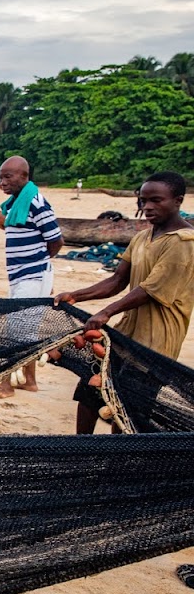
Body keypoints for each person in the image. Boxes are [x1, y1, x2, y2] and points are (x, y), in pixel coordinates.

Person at [55, 171, 194, 434]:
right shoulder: (142, 237)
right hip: (127, 332)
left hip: (156, 342)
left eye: (156, 200)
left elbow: (149, 290)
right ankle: (81, 448)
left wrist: (106, 313)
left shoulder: (184, 243)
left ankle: (114, 460)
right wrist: (76, 295)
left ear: (178, 201)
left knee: (127, 407)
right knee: (91, 387)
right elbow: (117, 281)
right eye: (143, 200)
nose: (147, 207)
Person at [0, 156, 63, 397]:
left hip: (32, 276)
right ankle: (29, 380)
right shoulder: (17, 204)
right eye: (0, 177)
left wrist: (40, 263)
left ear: (24, 177)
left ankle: (6, 385)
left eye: (8, 177)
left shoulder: (36, 203)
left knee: (16, 331)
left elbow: (57, 240)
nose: (2, 182)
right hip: (22, 275)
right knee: (27, 329)